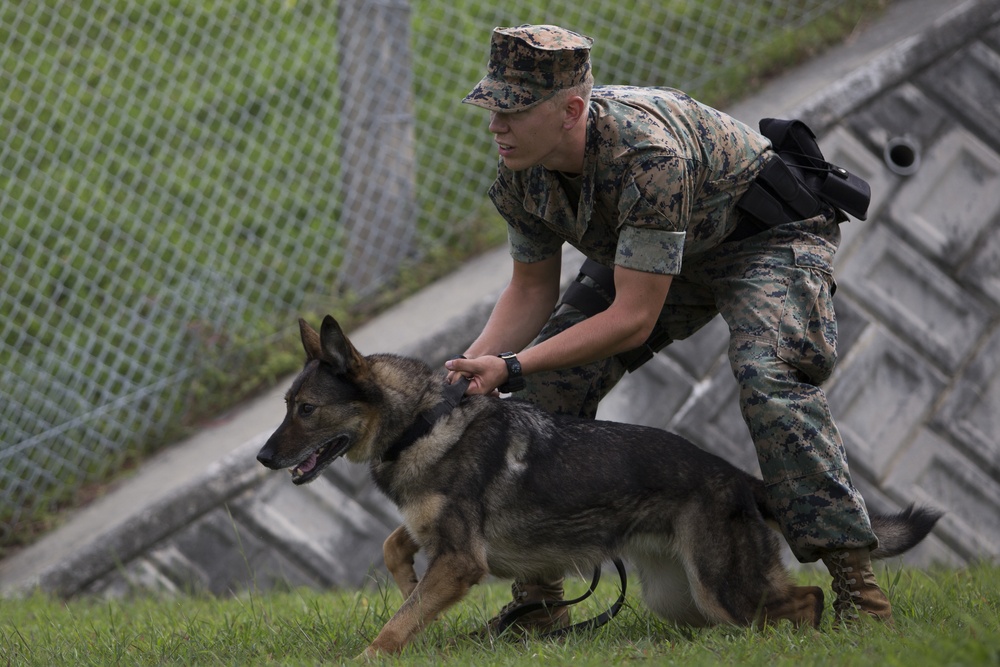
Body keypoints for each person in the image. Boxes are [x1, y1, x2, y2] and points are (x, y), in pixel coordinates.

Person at [445, 24, 891, 633]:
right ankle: (538, 600)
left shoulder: (646, 154)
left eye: (513, 109)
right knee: (543, 395)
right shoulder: (522, 171)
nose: (496, 123)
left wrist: (515, 364)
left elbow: (632, 318)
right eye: (491, 106)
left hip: (763, 240)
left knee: (770, 382)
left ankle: (857, 588)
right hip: (655, 256)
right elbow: (529, 291)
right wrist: (467, 373)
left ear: (571, 109)